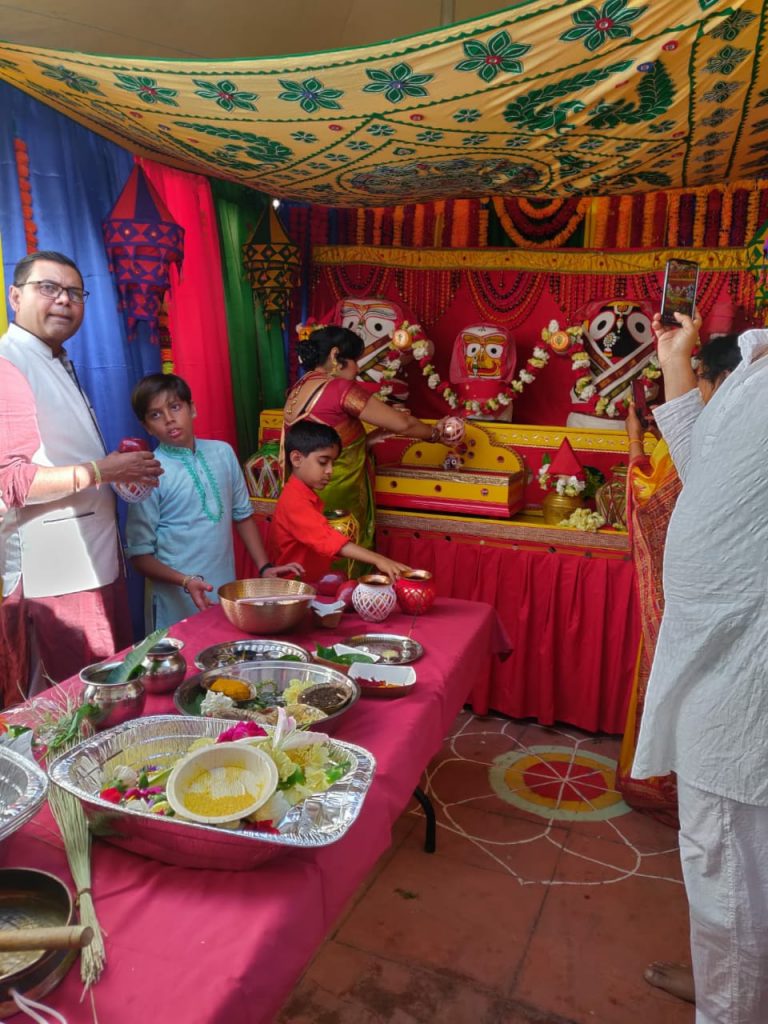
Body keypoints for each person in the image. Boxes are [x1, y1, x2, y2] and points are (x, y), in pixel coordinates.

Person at [632, 312, 768, 1023]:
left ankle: (731, 1003)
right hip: (725, 665)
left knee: (727, 865)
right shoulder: (753, 371)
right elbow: (707, 476)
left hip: (739, 677)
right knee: (734, 868)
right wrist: (675, 364)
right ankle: (732, 983)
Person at [0, 250, 162, 700]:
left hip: (89, 559)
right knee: (68, 705)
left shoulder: (54, 360)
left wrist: (116, 470)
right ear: (15, 296)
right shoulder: (9, 364)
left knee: (105, 693)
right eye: (48, 288)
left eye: (74, 292)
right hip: (53, 573)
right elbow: (12, 482)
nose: (64, 300)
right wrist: (100, 470)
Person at [617, 334, 742, 829]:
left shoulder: (712, 436)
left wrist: (633, 441)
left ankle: (670, 783)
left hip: (692, 596)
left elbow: (648, 498)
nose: (698, 389)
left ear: (724, 380)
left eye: (701, 378)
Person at [125, 373, 302, 630]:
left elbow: (242, 516)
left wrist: (264, 567)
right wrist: (186, 581)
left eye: (175, 407)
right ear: (147, 427)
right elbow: (140, 555)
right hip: (175, 601)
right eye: (156, 414)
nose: (169, 419)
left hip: (223, 592)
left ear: (192, 408)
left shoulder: (223, 453)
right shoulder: (148, 473)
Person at [283, 325, 455, 557]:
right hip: (337, 496)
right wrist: (436, 434)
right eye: (354, 360)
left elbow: (317, 443)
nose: (357, 368)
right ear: (335, 355)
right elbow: (403, 424)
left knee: (314, 559)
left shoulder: (299, 388)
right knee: (341, 559)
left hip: (304, 497)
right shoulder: (339, 389)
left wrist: (364, 441)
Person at [268, 421, 410, 584]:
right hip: (293, 588)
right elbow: (327, 539)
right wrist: (379, 560)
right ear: (296, 459)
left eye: (332, 463)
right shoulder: (294, 501)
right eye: (323, 462)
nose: (330, 471)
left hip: (308, 584)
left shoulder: (304, 495)